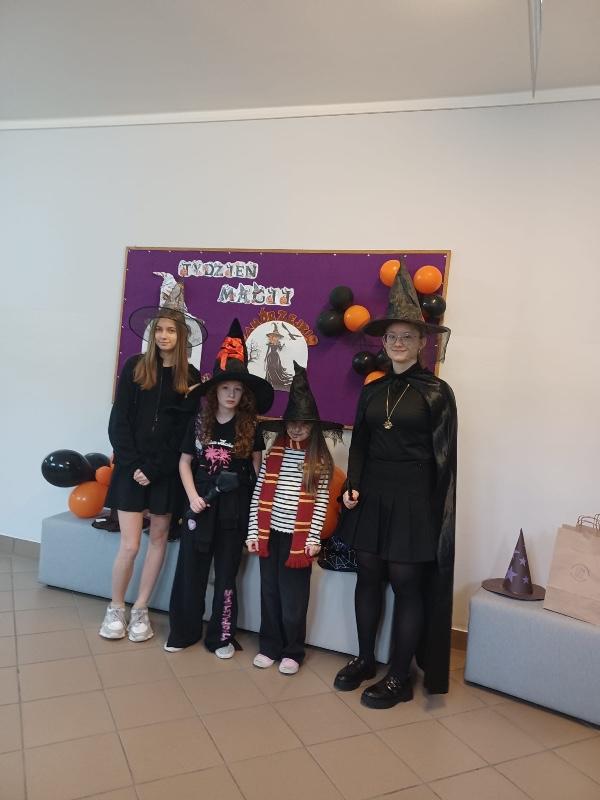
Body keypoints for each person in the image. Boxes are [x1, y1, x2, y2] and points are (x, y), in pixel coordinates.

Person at [333, 259, 457, 708]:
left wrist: (434, 511)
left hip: (414, 499)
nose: (399, 343)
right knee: (367, 575)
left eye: (407, 336)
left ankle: (400, 676)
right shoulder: (373, 390)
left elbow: (444, 460)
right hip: (372, 494)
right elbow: (361, 445)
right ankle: (365, 659)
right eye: (391, 337)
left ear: (423, 342)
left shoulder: (437, 393)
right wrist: (354, 484)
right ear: (383, 342)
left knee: (406, 583)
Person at [99, 290, 206, 642]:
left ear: (181, 336)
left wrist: (155, 469)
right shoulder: (135, 367)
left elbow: (183, 432)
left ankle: (141, 609)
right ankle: (116, 606)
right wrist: (133, 464)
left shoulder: (190, 376)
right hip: (131, 470)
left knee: (158, 539)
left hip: (165, 474)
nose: (163, 336)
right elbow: (119, 421)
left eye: (171, 330)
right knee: (130, 545)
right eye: (159, 329)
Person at [164, 319, 274, 658]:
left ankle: (221, 636)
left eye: (237, 390)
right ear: (215, 391)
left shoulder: (250, 428)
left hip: (233, 511)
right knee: (190, 572)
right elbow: (184, 463)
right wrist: (193, 497)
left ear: (243, 394)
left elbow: (257, 470)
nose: (230, 394)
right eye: (225, 388)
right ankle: (183, 631)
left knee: (226, 576)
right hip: (200, 505)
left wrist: (254, 513)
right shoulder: (199, 422)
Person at [246, 362, 342, 674]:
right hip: (270, 534)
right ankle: (269, 646)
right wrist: (253, 531)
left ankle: (292, 651)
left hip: (298, 541)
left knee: (293, 599)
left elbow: (322, 502)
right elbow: (260, 492)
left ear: (313, 426)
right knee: (269, 593)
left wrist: (313, 537)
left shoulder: (319, 459)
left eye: (303, 424)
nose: (297, 428)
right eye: (292, 423)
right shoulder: (274, 453)